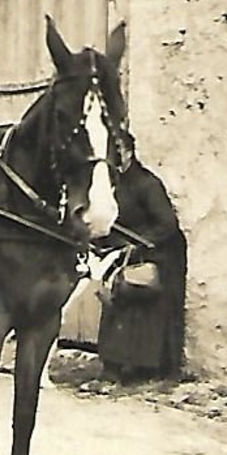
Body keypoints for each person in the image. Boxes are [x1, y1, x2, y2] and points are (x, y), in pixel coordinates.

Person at [96, 155, 188, 380]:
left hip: (159, 254)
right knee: (116, 301)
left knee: (146, 311)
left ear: (128, 154)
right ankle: (113, 367)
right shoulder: (110, 185)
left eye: (117, 155)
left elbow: (167, 224)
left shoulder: (148, 184)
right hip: (127, 254)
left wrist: (139, 243)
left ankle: (148, 370)